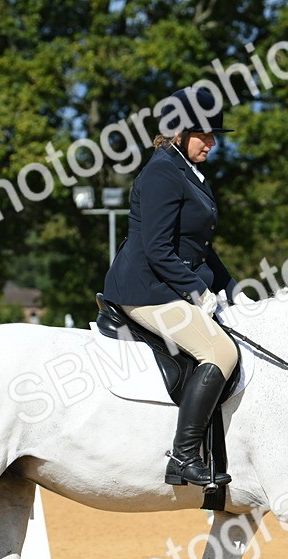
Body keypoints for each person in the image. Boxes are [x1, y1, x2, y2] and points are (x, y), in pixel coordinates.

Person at [102, 86, 239, 488]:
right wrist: (198, 292)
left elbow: (200, 246)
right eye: (205, 134)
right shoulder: (162, 172)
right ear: (179, 132)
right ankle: (183, 457)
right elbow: (158, 250)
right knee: (220, 350)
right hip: (145, 289)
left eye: (214, 135)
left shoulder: (187, 171)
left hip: (169, 284)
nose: (213, 143)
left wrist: (233, 288)